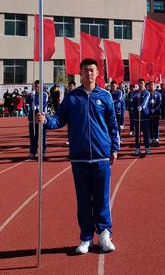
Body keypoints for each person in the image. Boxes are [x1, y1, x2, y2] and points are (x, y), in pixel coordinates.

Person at [38, 58, 119, 254]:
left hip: (101, 155)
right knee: (83, 199)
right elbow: (59, 119)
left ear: (97, 73)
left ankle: (104, 234)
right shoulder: (72, 97)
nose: (89, 73)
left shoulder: (106, 96)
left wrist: (114, 148)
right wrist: (46, 120)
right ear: (80, 73)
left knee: (101, 197)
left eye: (92, 70)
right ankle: (86, 237)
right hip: (80, 156)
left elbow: (113, 124)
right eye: (85, 70)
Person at [24, 80, 48, 159]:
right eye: (36, 86)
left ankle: (43, 151)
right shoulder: (31, 94)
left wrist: (37, 107)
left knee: (42, 137)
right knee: (33, 137)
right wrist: (31, 96)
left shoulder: (44, 94)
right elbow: (27, 102)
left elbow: (44, 104)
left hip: (41, 119)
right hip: (32, 119)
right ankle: (32, 152)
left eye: (38, 86)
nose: (37, 88)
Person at [132, 79, 151, 155]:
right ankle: (137, 148)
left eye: (142, 83)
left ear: (144, 84)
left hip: (144, 115)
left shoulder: (147, 93)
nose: (140, 85)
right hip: (137, 115)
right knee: (137, 133)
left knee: (146, 133)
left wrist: (142, 106)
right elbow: (133, 101)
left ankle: (147, 148)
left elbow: (146, 101)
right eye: (139, 83)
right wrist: (134, 108)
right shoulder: (135, 93)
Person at [148, 81, 162, 146]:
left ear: (154, 86)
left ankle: (156, 138)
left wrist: (155, 109)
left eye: (152, 85)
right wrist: (150, 109)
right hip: (149, 113)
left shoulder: (158, 94)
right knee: (150, 126)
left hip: (156, 112)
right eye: (150, 85)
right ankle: (151, 138)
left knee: (156, 126)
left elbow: (159, 103)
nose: (151, 86)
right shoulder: (147, 94)